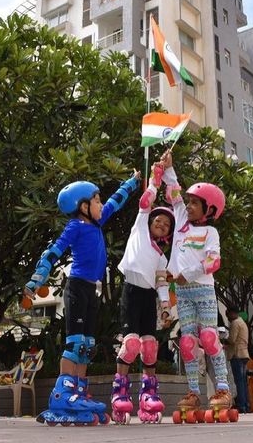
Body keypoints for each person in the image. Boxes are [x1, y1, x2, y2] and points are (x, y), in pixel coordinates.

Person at [24, 173, 140, 425]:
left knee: (87, 345)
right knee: (75, 343)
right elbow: (53, 251)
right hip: (76, 288)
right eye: (96, 201)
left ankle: (78, 393)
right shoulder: (75, 226)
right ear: (83, 206)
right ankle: (62, 393)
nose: (101, 205)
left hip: (91, 290)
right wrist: (37, 279)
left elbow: (115, 202)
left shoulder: (97, 223)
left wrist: (132, 183)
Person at [159, 149, 233, 412]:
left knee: (210, 337)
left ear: (208, 209)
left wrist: (186, 273)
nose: (188, 206)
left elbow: (214, 262)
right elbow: (174, 190)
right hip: (184, 292)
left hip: (202, 289)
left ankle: (222, 390)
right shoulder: (180, 220)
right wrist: (168, 167)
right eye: (188, 202)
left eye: (194, 203)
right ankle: (193, 393)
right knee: (188, 342)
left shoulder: (210, 232)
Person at [112, 163, 175, 423]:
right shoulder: (139, 229)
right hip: (131, 292)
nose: (160, 223)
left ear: (168, 233)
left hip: (148, 297)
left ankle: (148, 396)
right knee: (131, 344)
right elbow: (145, 203)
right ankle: (120, 393)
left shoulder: (161, 255)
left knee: (149, 347)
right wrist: (154, 181)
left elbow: (162, 283)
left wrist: (165, 307)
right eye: (157, 220)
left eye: (165, 224)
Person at [224, 306, 250, 413]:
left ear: (232, 313)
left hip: (236, 354)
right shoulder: (242, 322)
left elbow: (232, 340)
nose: (228, 319)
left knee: (239, 381)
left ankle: (241, 406)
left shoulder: (235, 323)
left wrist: (223, 338)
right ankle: (245, 405)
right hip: (244, 354)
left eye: (228, 316)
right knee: (243, 381)